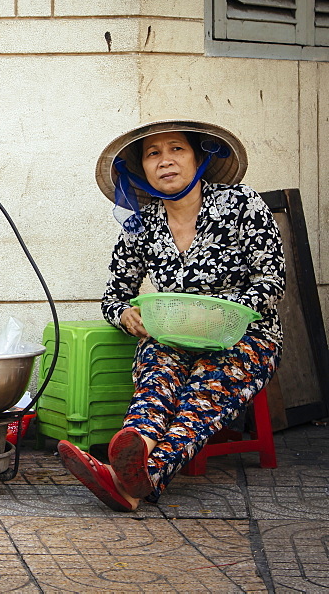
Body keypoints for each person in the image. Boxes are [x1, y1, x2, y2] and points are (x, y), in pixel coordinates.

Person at [57, 120, 285, 511]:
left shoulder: (241, 204)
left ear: (199, 158)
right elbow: (115, 295)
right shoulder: (142, 224)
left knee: (201, 395)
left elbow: (272, 279)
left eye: (176, 149)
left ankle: (130, 479)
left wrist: (228, 315)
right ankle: (137, 447)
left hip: (242, 337)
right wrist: (126, 315)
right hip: (173, 337)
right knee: (155, 376)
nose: (165, 161)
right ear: (141, 170)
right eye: (153, 154)